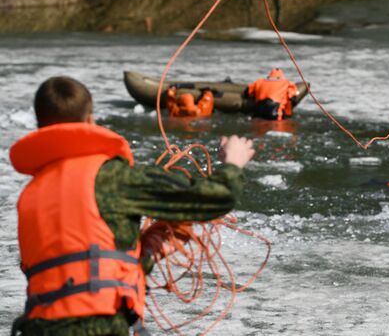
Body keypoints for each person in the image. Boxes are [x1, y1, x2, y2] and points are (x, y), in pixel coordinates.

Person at [9, 76, 255, 335]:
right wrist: (233, 164)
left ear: (38, 125)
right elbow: (215, 197)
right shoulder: (112, 177)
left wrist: (145, 254)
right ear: (90, 120)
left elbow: (67, 272)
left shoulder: (30, 196)